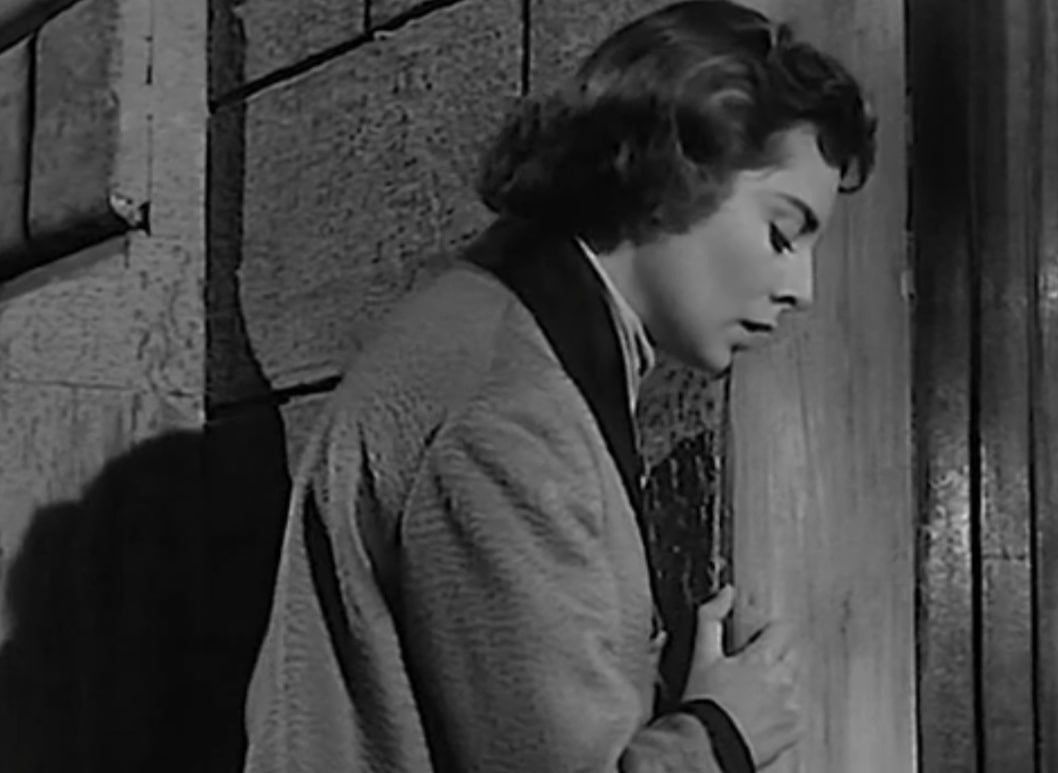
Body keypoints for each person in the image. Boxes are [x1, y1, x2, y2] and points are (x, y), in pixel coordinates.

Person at [241, 2, 876, 771]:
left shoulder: (516, 334)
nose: (801, 287)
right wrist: (719, 735)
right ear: (670, 170)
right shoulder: (510, 410)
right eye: (782, 231)